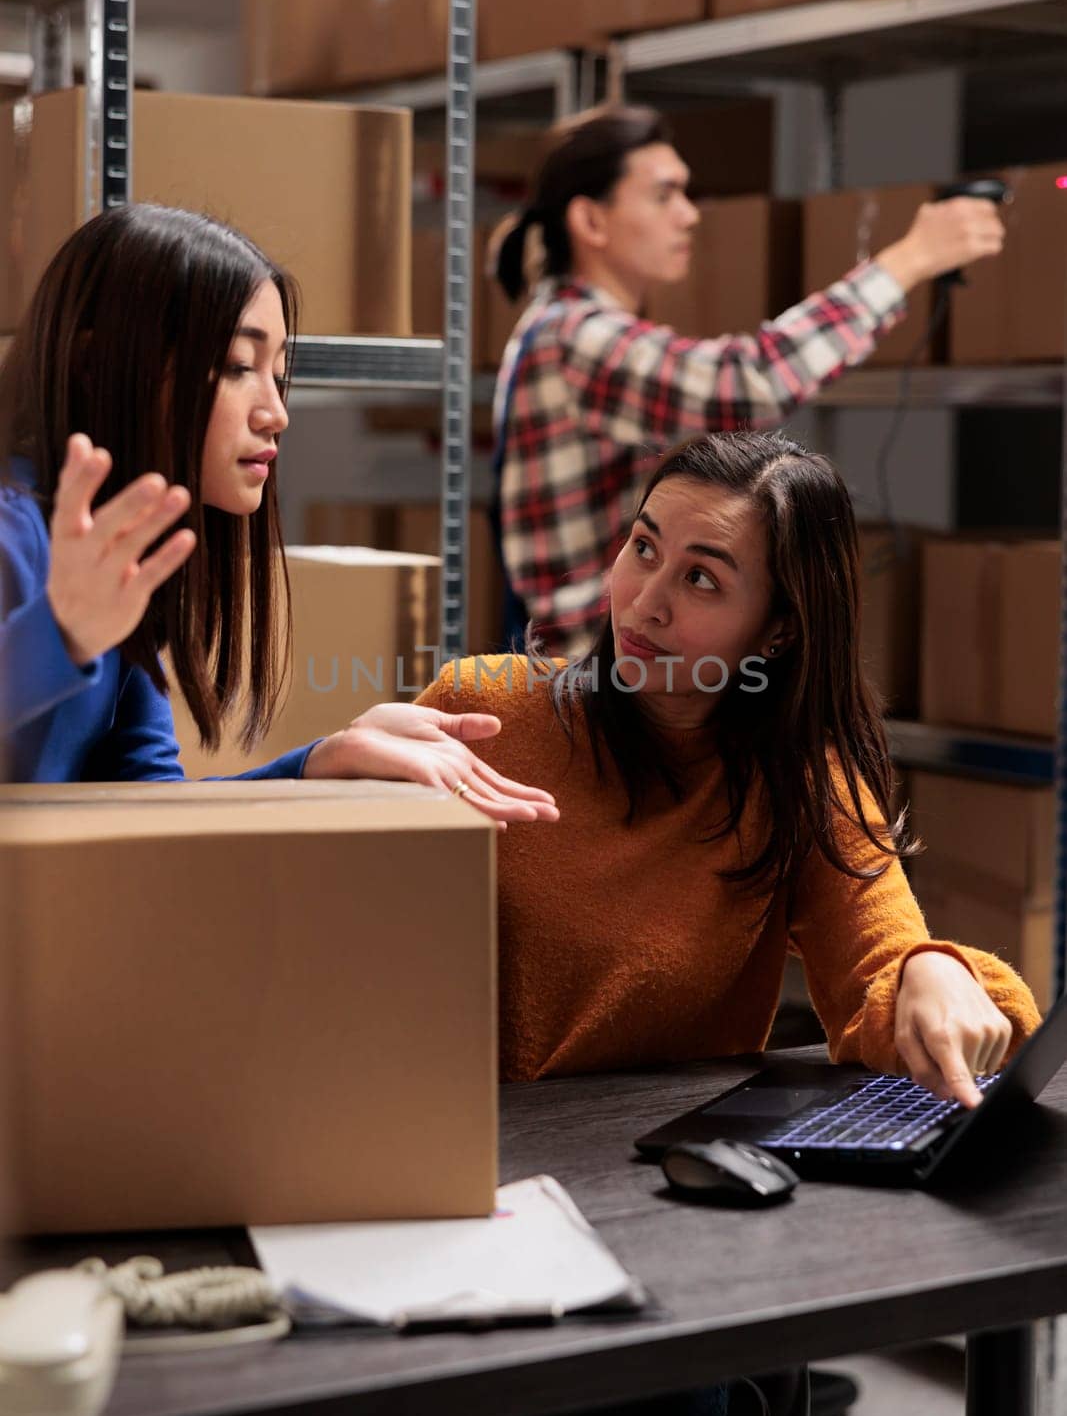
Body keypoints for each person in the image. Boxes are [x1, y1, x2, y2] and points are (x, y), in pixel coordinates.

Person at [420, 429, 1039, 1095]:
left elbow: (879, 983)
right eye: (643, 547)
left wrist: (936, 971)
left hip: (646, 1171)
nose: (644, 602)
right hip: (434, 1142)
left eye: (699, 578)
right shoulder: (482, 712)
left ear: (779, 630)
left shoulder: (798, 781)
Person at [0, 202, 558, 828]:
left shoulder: (125, 557)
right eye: (240, 367)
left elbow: (145, 804)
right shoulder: (15, 531)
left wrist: (324, 760)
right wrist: (61, 634)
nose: (276, 413)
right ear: (93, 365)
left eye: (280, 373)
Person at [491, 104, 1007, 659]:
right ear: (591, 221)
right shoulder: (576, 336)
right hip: (604, 679)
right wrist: (912, 259)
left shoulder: (560, 328)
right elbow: (746, 384)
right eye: (664, 195)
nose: (689, 215)